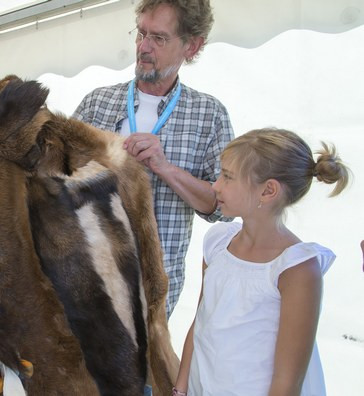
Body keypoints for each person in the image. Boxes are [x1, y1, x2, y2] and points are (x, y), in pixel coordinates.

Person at [72, 0, 234, 316]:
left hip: (154, 285)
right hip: (86, 272)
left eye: (159, 38)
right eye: (141, 33)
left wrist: (164, 167)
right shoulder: (97, 102)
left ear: (192, 46)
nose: (143, 47)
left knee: (141, 365)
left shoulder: (208, 114)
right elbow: (53, 179)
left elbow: (221, 208)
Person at [173, 128, 350, 395]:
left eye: (228, 177)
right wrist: (181, 387)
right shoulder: (219, 244)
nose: (216, 185)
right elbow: (200, 324)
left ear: (268, 191)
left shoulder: (295, 268)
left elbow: (287, 381)